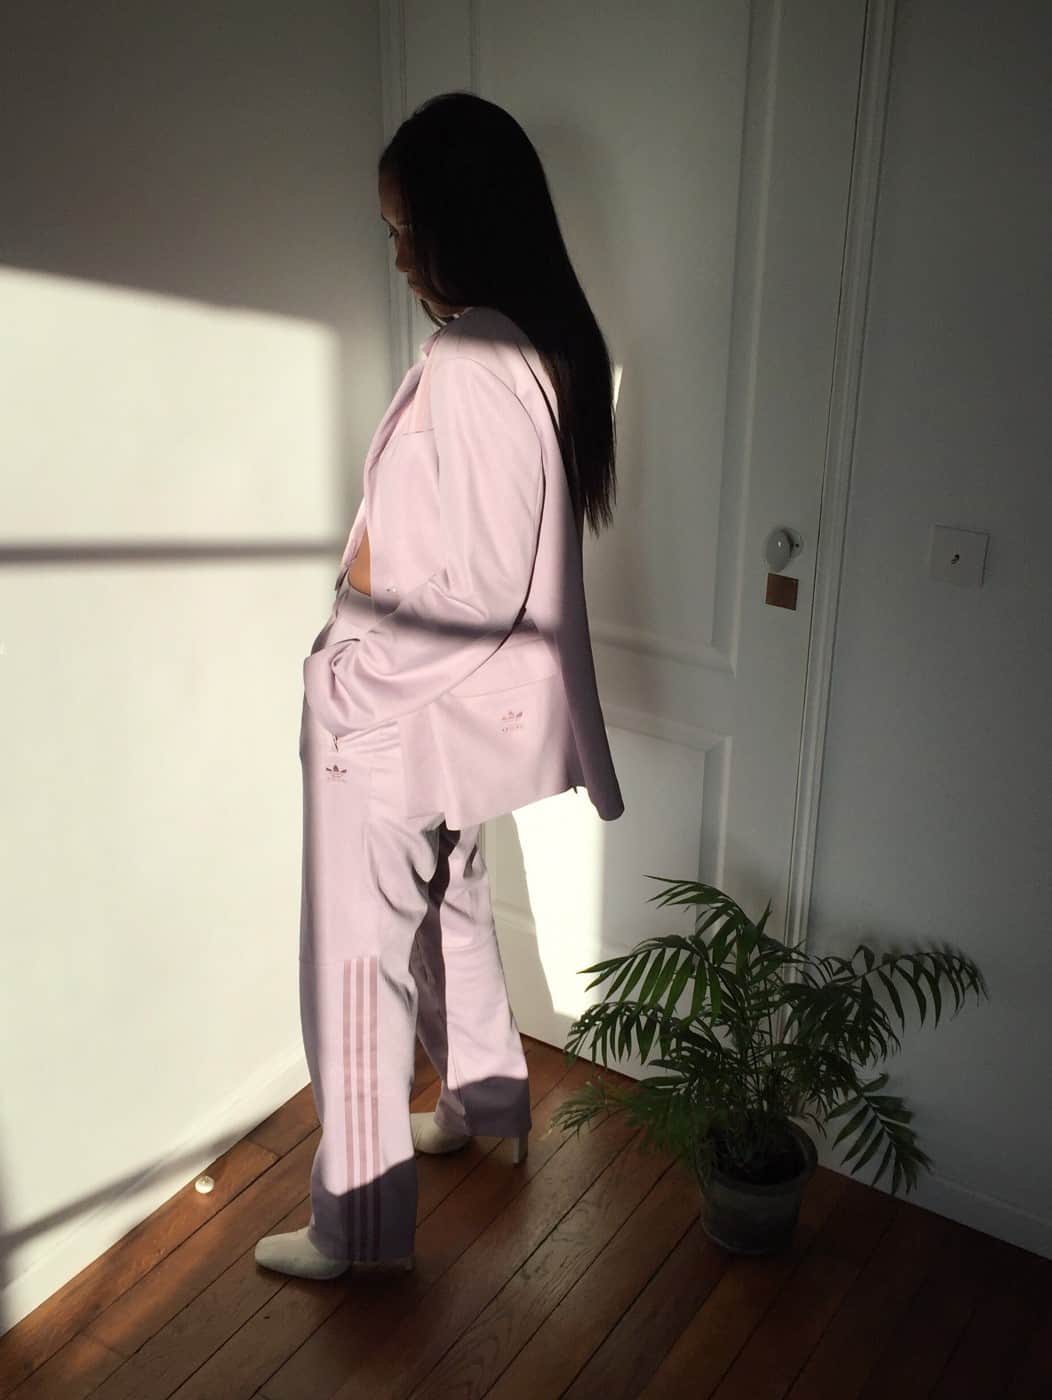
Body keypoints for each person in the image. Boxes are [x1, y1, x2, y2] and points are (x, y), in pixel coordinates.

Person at [255, 92, 624, 1281]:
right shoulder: (533, 342)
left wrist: (346, 680)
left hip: (393, 709)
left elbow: (472, 588)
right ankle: (484, 1104)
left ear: (464, 218)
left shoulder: (473, 356)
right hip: (453, 719)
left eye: (405, 227)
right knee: (450, 907)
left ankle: (358, 1229)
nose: (399, 253)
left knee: (352, 968)